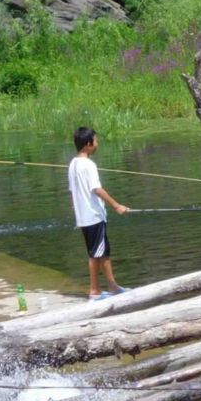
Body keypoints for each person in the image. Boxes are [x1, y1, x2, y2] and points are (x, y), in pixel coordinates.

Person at [68, 126, 129, 299]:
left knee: (100, 252)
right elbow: (97, 189)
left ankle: (109, 287)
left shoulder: (73, 164)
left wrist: (76, 212)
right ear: (88, 144)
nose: (97, 144)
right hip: (93, 216)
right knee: (98, 254)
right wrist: (116, 205)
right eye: (96, 141)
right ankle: (99, 290)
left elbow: (72, 192)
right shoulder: (89, 165)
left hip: (84, 217)